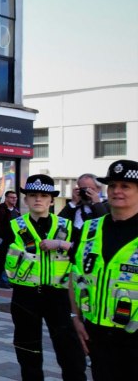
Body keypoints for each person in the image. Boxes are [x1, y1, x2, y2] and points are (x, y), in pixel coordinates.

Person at [0, 175, 86, 380]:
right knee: (28, 356)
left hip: (60, 299)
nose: (38, 199)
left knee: (71, 356)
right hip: (25, 298)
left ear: (51, 200)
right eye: (32, 195)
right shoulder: (15, 227)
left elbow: (86, 256)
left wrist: (61, 244)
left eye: (43, 195)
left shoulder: (67, 227)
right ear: (26, 200)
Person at [69, 159, 138, 380]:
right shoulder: (90, 228)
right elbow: (74, 274)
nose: (117, 191)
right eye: (113, 185)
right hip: (97, 334)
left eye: (125, 186)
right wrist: (76, 317)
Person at [58, 173, 108, 239]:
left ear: (99, 189)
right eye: (83, 189)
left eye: (90, 189)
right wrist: (73, 202)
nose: (86, 192)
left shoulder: (107, 206)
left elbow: (107, 224)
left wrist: (97, 203)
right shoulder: (74, 207)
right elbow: (59, 222)